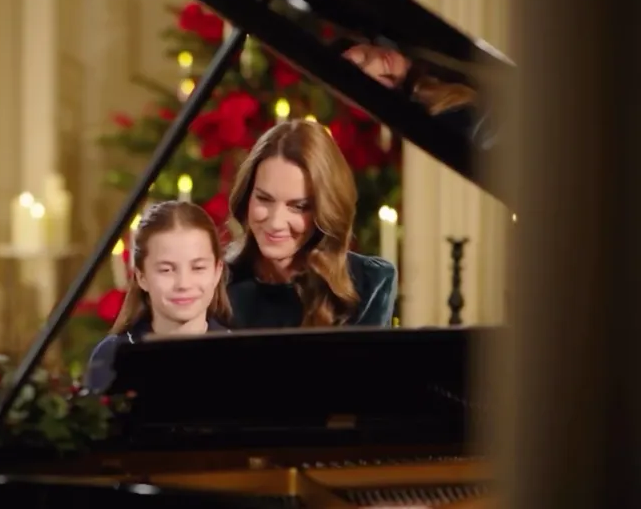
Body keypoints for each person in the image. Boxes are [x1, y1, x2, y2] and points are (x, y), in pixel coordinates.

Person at [225, 120, 397, 329]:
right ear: (247, 195)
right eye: (264, 199)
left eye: (298, 207)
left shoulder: (369, 285)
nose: (276, 222)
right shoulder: (214, 282)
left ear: (324, 211)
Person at [84, 201, 232, 393]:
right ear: (142, 277)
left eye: (198, 268)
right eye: (166, 270)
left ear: (217, 271)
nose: (183, 284)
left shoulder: (241, 353)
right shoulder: (112, 356)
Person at [338, 39, 497, 150]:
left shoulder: (420, 43)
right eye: (361, 73)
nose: (375, 60)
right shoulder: (440, 116)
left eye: (366, 54)